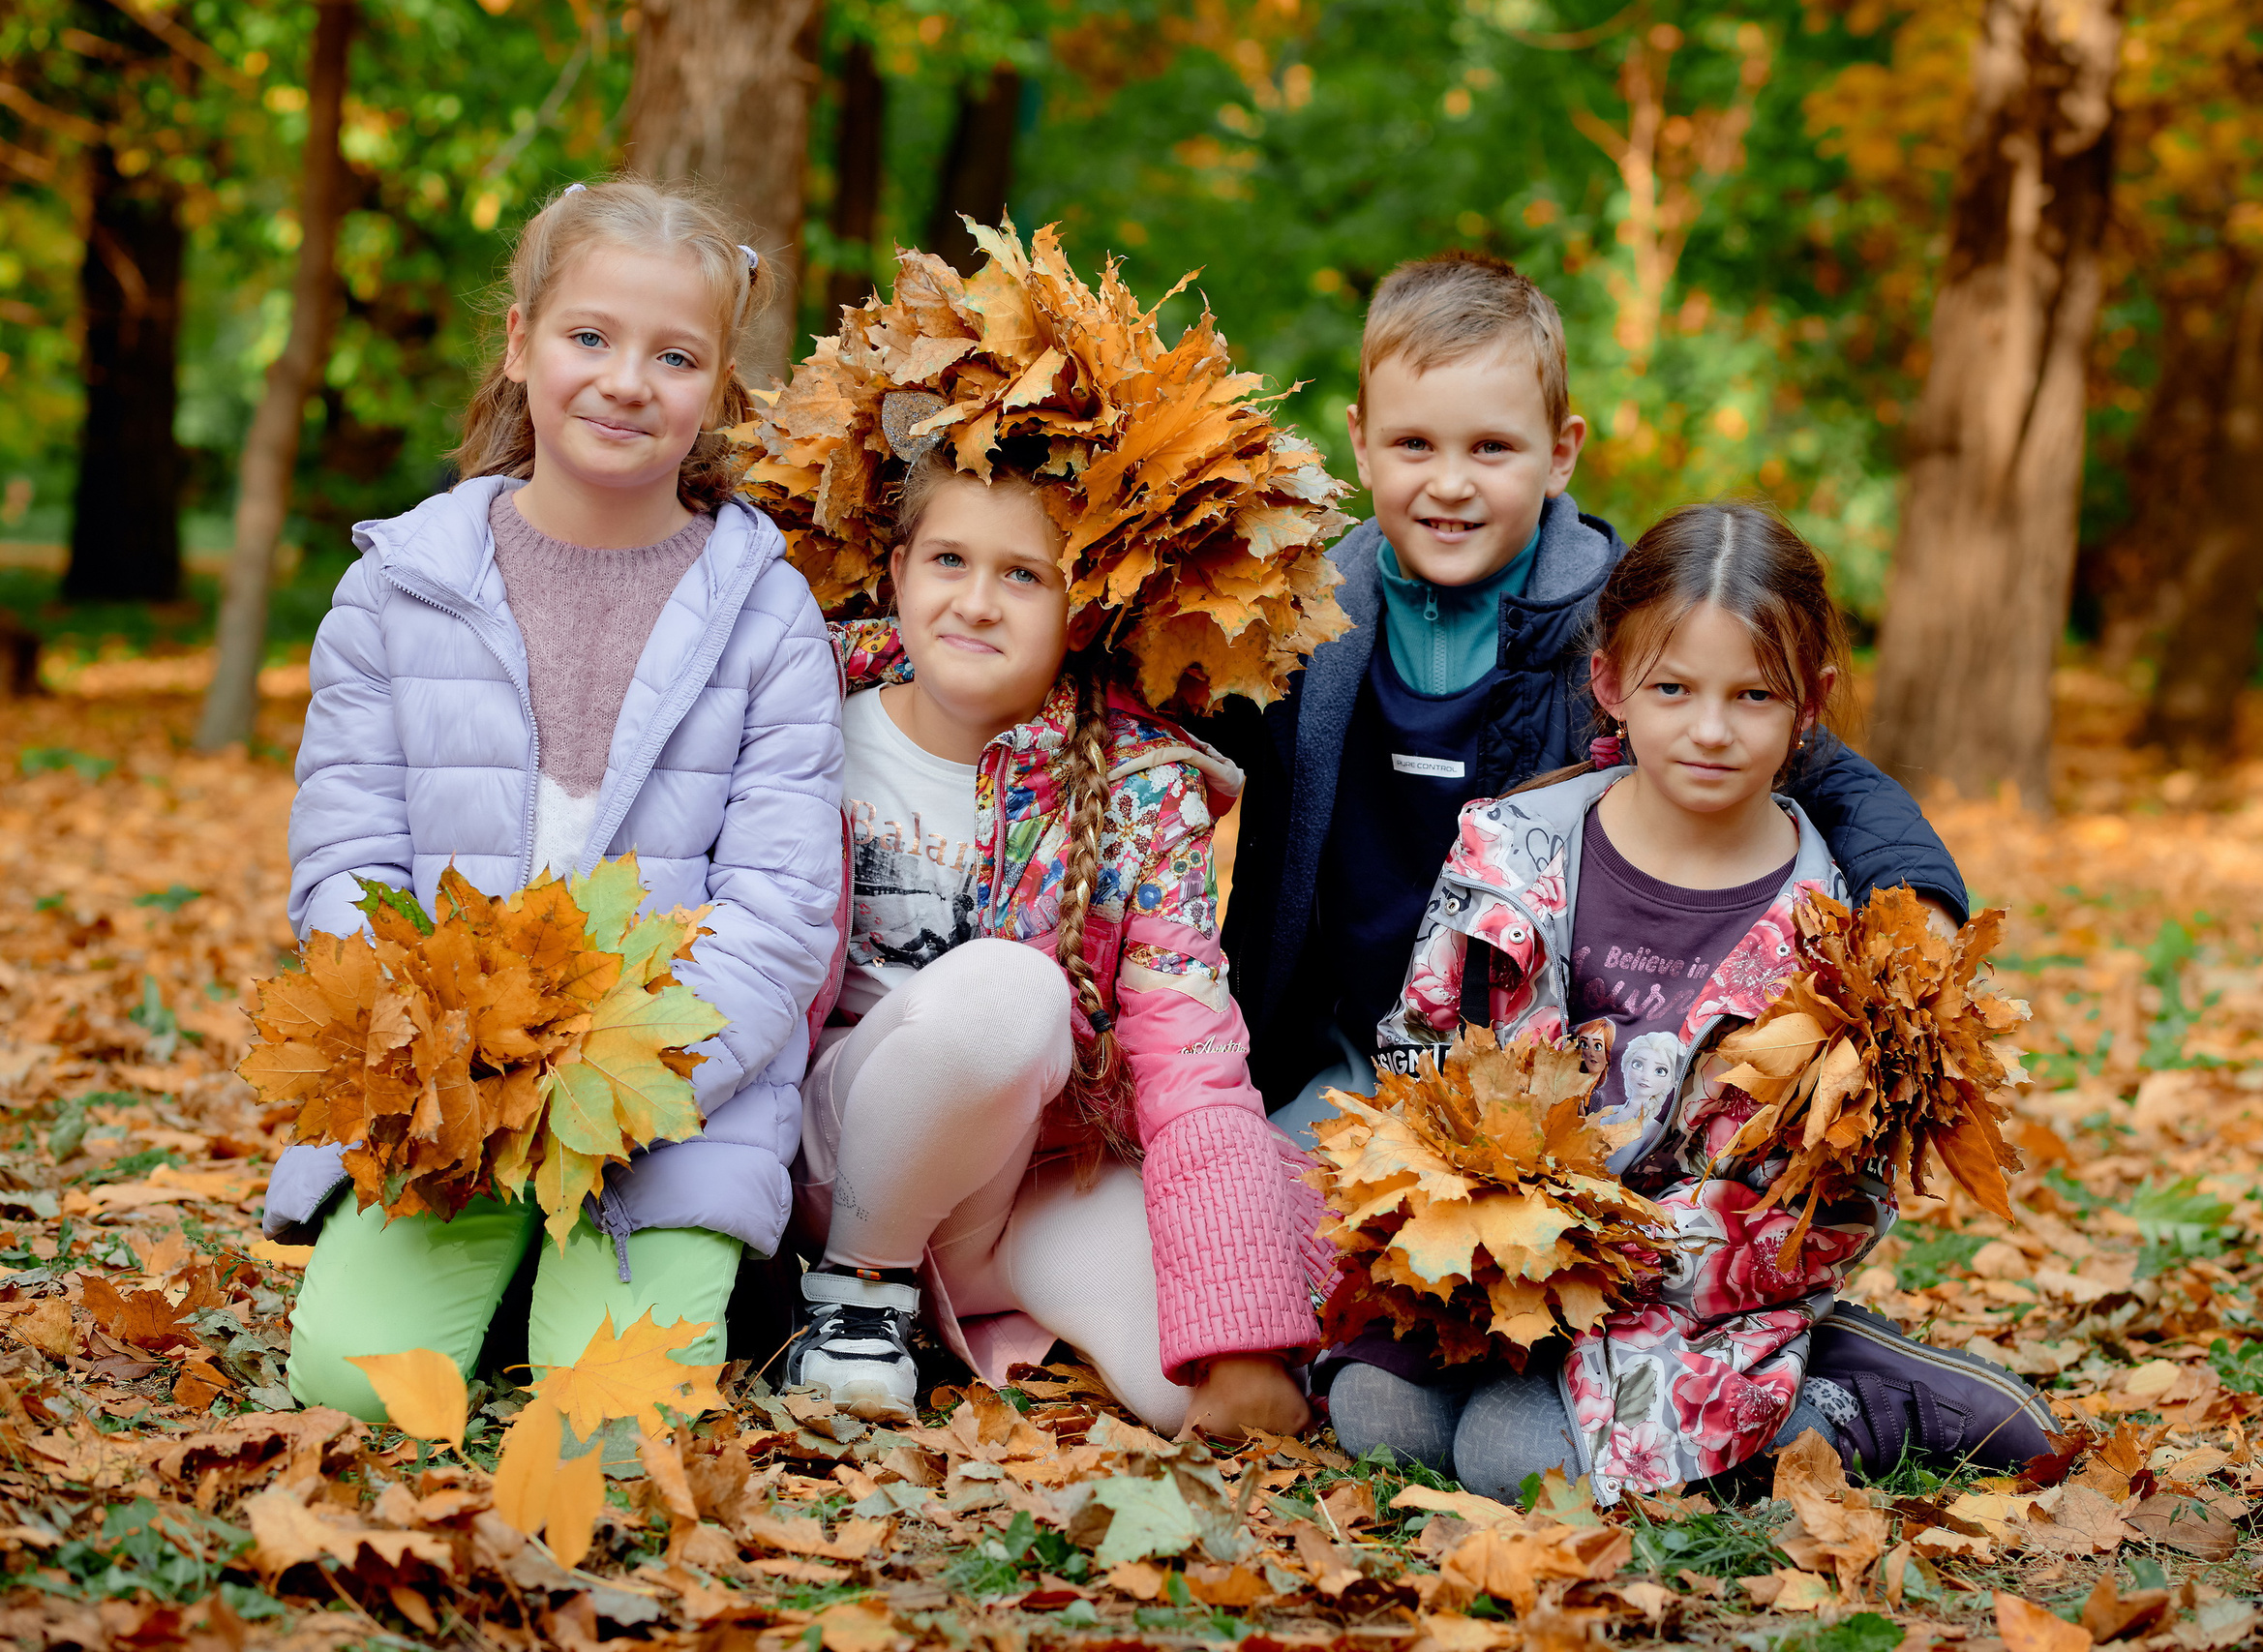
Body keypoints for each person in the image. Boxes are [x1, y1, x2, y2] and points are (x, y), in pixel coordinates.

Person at [739, 225, 1343, 1439]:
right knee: (1009, 993)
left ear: (1085, 607)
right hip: (830, 1157)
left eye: (1025, 575)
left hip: (1029, 1182)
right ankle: (858, 1297)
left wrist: (1237, 1318)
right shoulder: (799, 713)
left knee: (1230, 1403)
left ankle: (956, 1299)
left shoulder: (1135, 781)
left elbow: (1186, 1048)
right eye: (950, 560)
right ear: (897, 568)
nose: (975, 599)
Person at [1327, 503, 2055, 1498]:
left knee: (1509, 1463)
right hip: (1504, 1266)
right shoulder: (1509, 851)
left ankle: (1859, 1399)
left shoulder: (1837, 939)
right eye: (1671, 688)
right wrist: (1481, 1221)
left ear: (1810, 706)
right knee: (1375, 1417)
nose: (1709, 730)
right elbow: (1420, 1050)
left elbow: (1837, 1202)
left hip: (1698, 1291)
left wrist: (1611, 1253)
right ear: (1610, 684)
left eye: (1753, 696)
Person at [262, 179, 843, 1423]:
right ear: (521, 346)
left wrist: (621, 1085)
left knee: (618, 1424)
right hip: (443, 1100)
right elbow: (344, 863)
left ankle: (612, 1289)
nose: (626, 381)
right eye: (589, 337)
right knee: (350, 1393)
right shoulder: (396, 591)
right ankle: (492, 1269)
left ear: (719, 392)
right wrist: (446, 1066)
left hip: (662, 1111)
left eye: (674, 355)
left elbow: (782, 909)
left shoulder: (768, 613)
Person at [1210, 253, 1970, 1135]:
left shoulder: (1619, 624)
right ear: (1362, 443)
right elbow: (1169, 733)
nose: (1450, 482)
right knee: (1276, 1235)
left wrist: (1917, 897)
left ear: (1561, 453)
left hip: (1545, 1072)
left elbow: (1816, 762)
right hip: (1342, 1047)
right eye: (1415, 443)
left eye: (1492, 447)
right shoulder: (1294, 617)